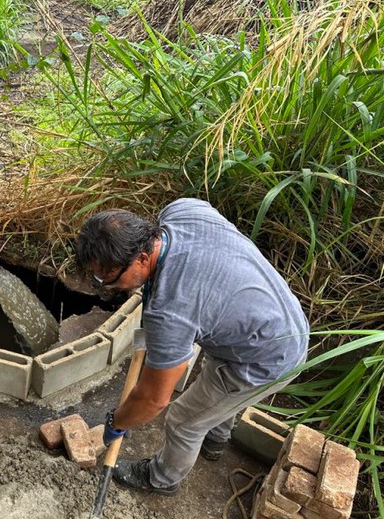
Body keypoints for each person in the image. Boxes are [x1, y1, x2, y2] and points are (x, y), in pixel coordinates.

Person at [76, 198, 309, 495]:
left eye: (109, 278)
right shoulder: (183, 211)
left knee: (184, 420)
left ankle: (162, 479)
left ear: (142, 259)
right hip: (274, 319)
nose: (107, 286)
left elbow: (153, 400)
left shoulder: (171, 311)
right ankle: (216, 438)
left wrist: (117, 421)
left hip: (268, 359)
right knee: (215, 390)